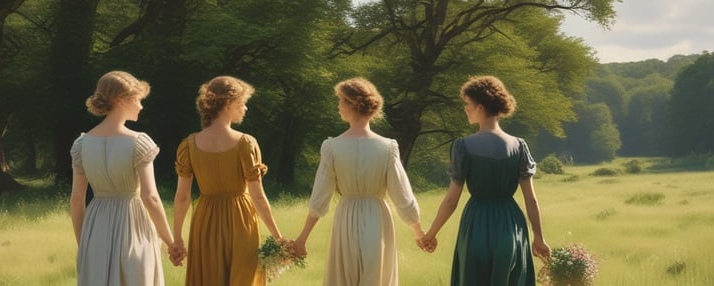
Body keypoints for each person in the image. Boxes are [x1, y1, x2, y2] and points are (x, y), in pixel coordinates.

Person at [418, 75, 551, 286]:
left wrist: (431, 234)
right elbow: (531, 199)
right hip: (510, 224)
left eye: (467, 104)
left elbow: (452, 200)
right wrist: (539, 238)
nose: (465, 109)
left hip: (476, 224)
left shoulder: (463, 146)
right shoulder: (519, 146)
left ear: (480, 107)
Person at [292, 77, 425, 286]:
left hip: (346, 215)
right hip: (377, 216)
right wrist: (419, 231)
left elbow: (320, 197)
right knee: (375, 275)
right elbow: (402, 195)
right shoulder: (387, 147)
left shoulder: (332, 147)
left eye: (340, 101)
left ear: (352, 105)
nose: (338, 106)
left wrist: (302, 238)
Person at [170, 76, 283, 285]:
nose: (245, 109)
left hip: (205, 221)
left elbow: (182, 196)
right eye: (243, 103)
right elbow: (258, 197)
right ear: (229, 103)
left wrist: (177, 239)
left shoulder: (189, 145)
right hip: (240, 220)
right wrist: (278, 237)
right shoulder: (246, 143)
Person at [70, 70, 176, 285]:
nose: (141, 106)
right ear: (120, 100)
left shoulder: (82, 145)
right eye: (137, 99)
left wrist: (84, 244)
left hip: (96, 225)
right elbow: (151, 197)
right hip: (132, 223)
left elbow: (76, 199)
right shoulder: (139, 142)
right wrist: (171, 242)